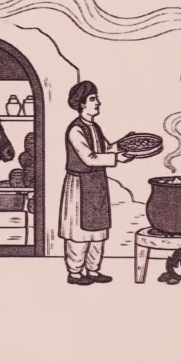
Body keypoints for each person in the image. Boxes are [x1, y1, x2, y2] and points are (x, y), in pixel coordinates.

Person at [58, 81, 120, 285]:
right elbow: (90, 158)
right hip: (80, 184)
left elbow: (106, 149)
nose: (98, 103)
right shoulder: (75, 130)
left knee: (98, 231)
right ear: (81, 104)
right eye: (93, 99)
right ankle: (75, 273)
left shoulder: (95, 127)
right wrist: (115, 158)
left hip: (97, 183)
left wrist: (124, 149)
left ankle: (93, 270)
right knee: (79, 232)